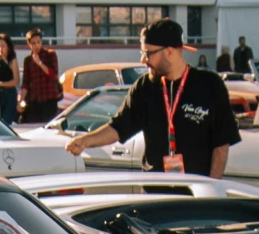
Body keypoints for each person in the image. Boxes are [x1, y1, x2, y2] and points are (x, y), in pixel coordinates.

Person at [66, 17, 239, 176]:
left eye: (148, 53)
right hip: (154, 190)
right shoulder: (144, 87)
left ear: (170, 51)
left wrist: (211, 191)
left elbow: (221, 144)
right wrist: (85, 141)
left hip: (196, 193)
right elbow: (119, 128)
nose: (143, 60)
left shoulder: (210, 85)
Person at [19, 28, 60, 121]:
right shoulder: (28, 60)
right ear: (29, 44)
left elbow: (53, 75)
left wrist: (40, 63)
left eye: (38, 42)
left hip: (49, 99)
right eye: (33, 43)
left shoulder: (50, 54)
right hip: (35, 100)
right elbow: (26, 83)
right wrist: (21, 100)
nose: (37, 45)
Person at [0, 33, 18, 122]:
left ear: (8, 47)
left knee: (6, 121)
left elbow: (16, 81)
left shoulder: (12, 61)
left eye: (3, 46)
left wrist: (2, 84)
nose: (0, 49)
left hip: (9, 95)